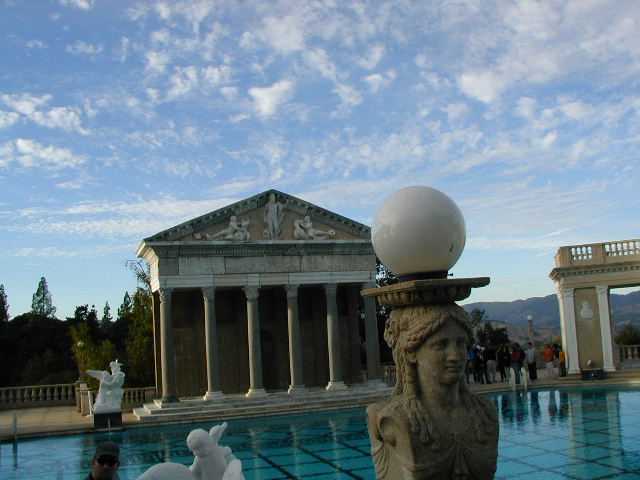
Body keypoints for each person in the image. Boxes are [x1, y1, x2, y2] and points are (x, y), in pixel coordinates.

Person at [367, 304, 498, 479]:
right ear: (411, 353)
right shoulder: (396, 419)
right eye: (441, 345)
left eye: (461, 343)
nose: (455, 355)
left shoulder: (485, 413)